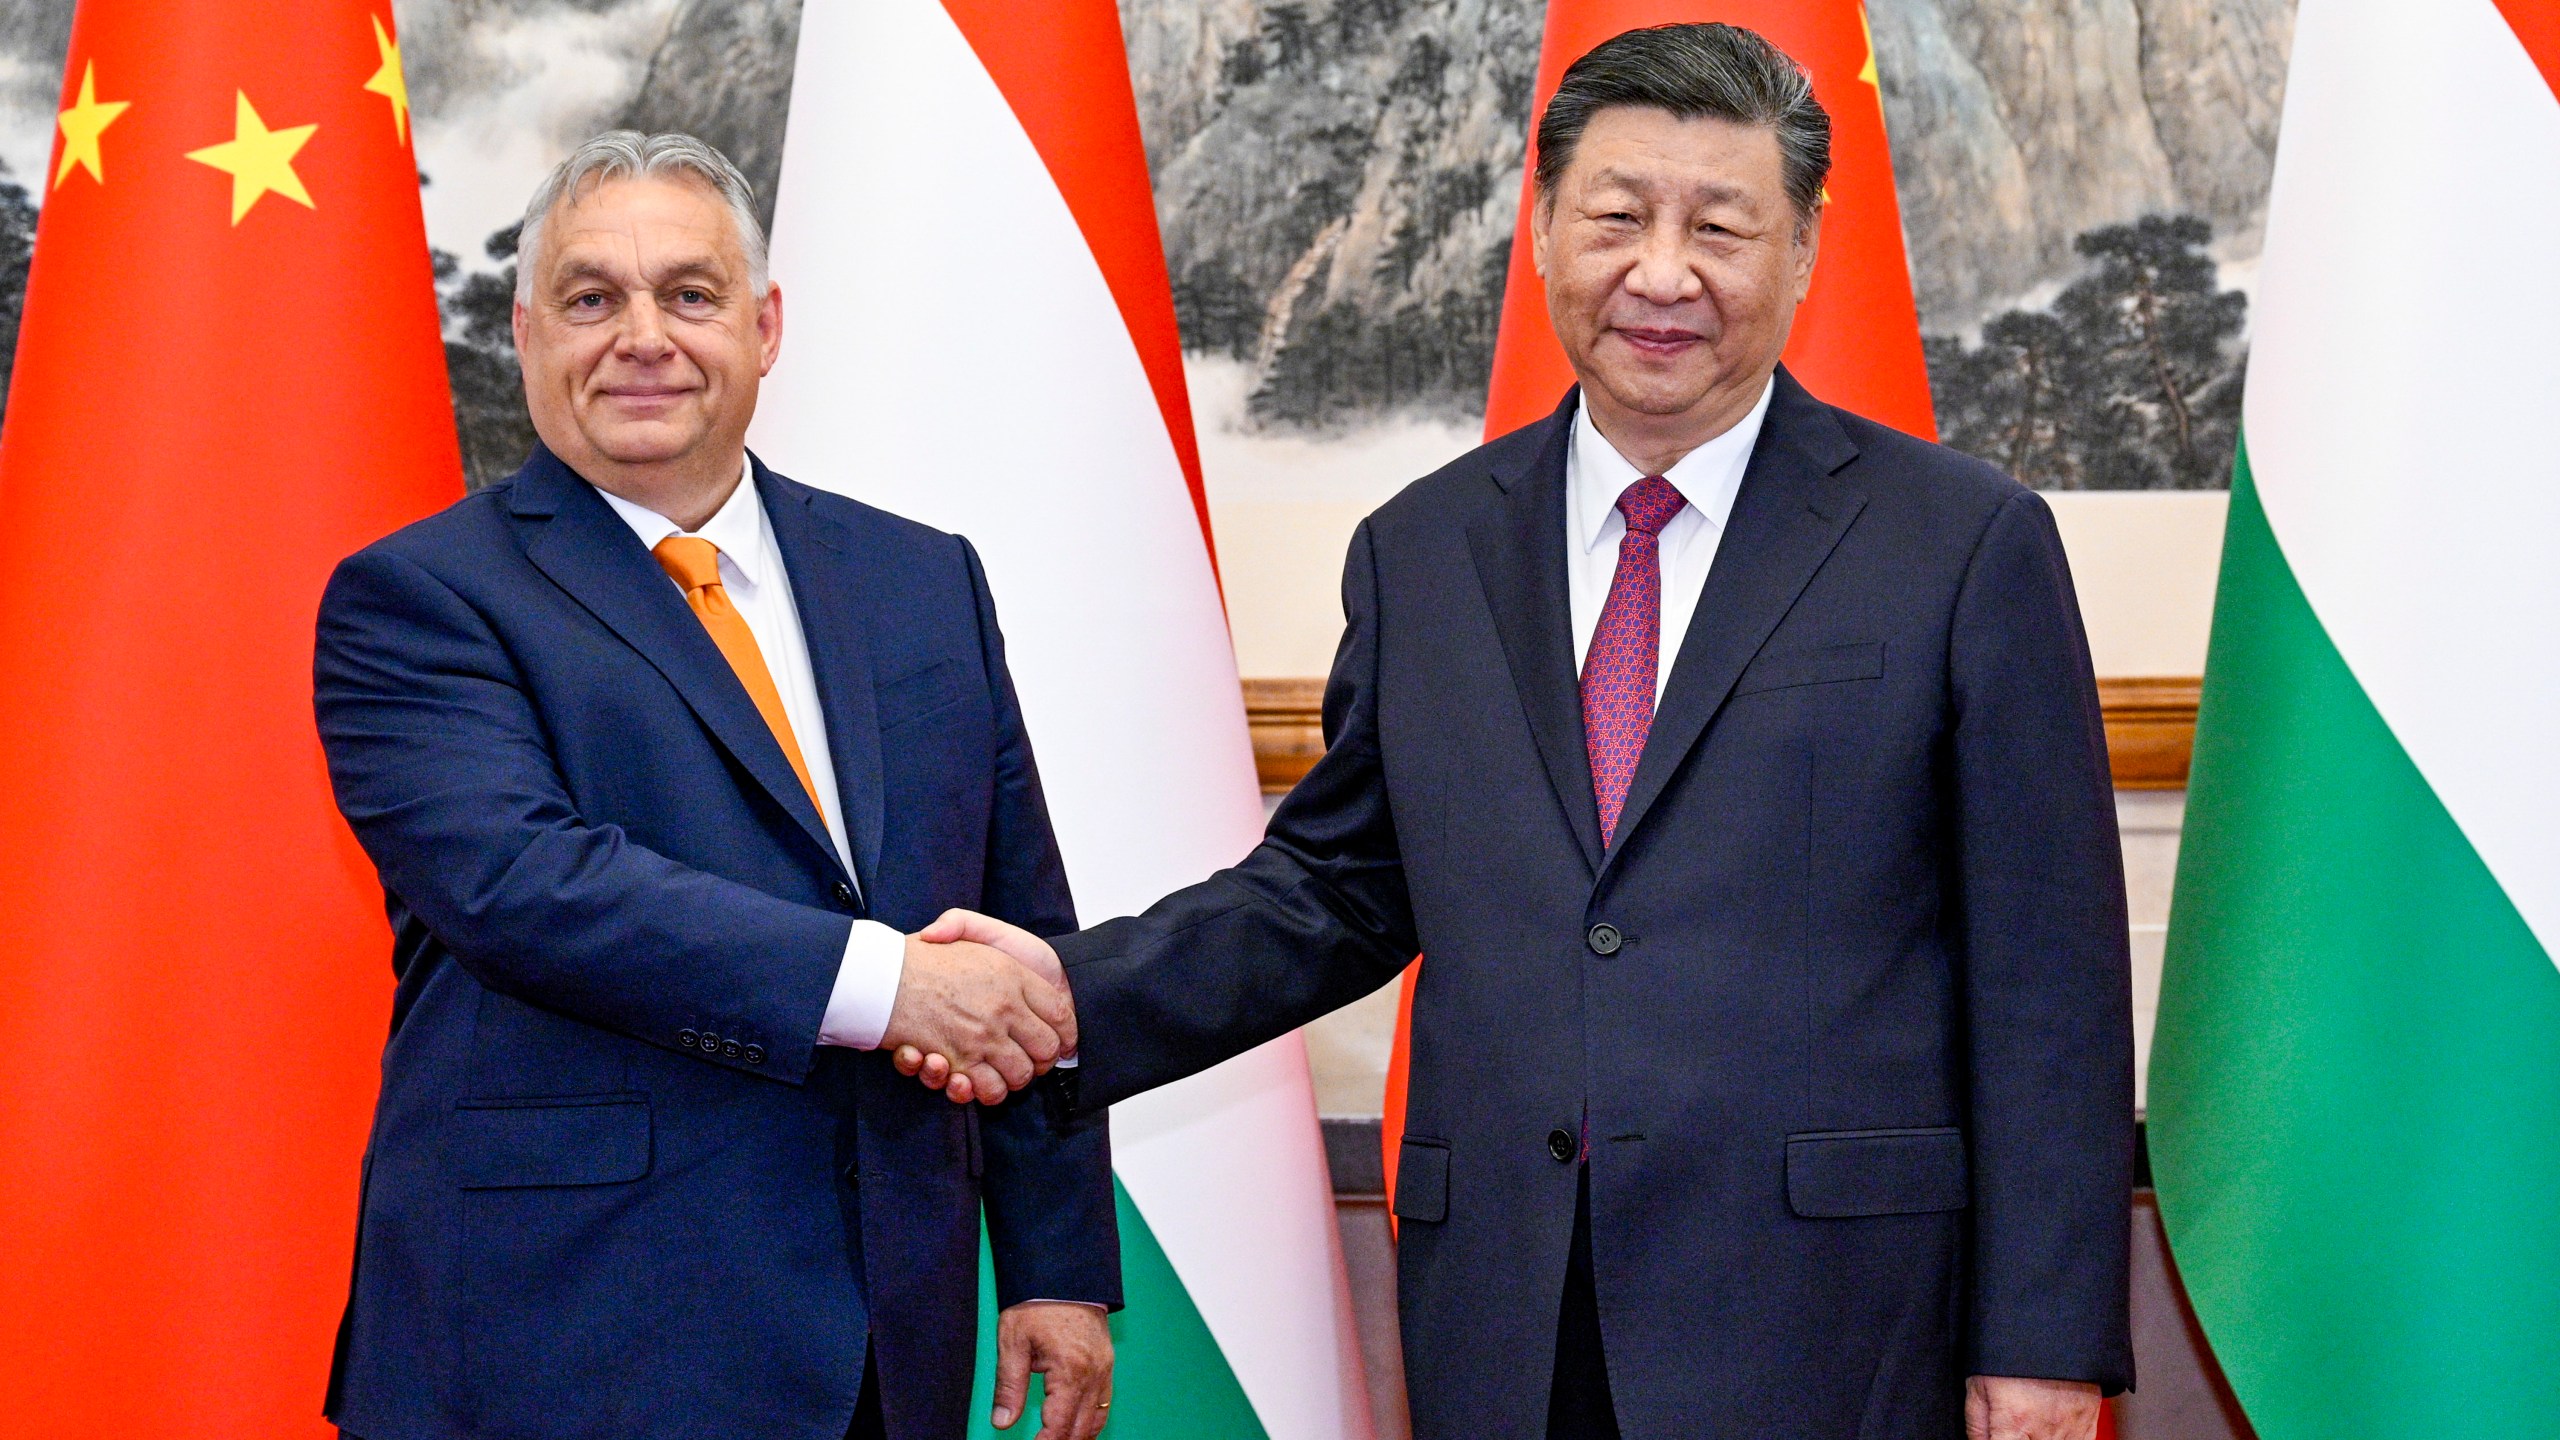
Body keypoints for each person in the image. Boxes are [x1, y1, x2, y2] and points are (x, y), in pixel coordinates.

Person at [914, 25, 2134, 1440]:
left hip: (1837, 1323)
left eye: (1720, 227)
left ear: (1802, 250)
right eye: (1617, 217)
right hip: (1510, 1311)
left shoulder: (1962, 544)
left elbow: (2049, 978)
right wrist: (1068, 995)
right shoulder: (1424, 549)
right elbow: (1335, 891)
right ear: (1544, 228)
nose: (1662, 273)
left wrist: (2044, 1346)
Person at [314, 132, 1116, 1440]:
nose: (644, 337)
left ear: (765, 325)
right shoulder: (418, 598)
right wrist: (890, 985)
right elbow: (528, 887)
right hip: (564, 1342)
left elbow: (1020, 932)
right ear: (525, 334)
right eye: (591, 297)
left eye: (689, 293)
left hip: (886, 1336)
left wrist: (1055, 1262)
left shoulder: (923, 581)